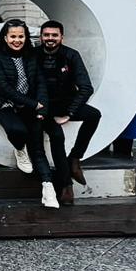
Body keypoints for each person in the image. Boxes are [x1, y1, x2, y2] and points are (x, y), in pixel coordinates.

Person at [0, 19, 59, 209]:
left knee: (38, 148)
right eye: (13, 36)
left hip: (30, 107)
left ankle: (48, 189)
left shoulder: (31, 56)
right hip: (6, 104)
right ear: (5, 38)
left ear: (26, 37)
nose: (17, 40)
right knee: (17, 130)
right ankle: (20, 149)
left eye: (21, 36)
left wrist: (41, 108)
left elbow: (41, 83)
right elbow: (3, 88)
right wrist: (33, 103)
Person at [36, 20, 101, 202]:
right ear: (41, 37)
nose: (50, 38)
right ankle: (66, 186)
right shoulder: (33, 55)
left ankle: (75, 158)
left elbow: (86, 87)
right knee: (57, 137)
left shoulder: (71, 55)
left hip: (66, 103)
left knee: (94, 115)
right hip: (43, 107)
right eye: (46, 35)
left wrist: (69, 113)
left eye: (54, 35)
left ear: (61, 37)